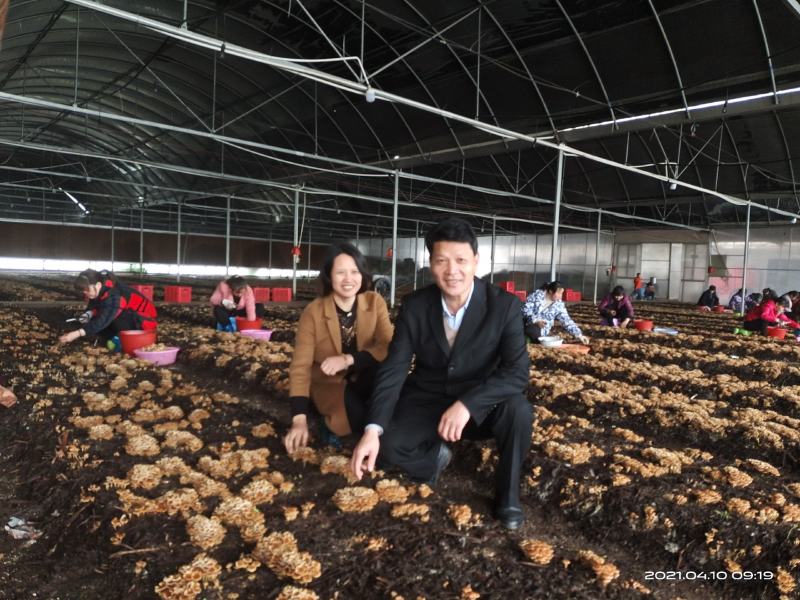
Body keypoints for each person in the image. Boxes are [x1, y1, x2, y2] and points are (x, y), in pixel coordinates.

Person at [349, 217, 532, 530]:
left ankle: (508, 496)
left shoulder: (504, 307)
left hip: (481, 404)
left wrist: (468, 404)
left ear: (476, 261)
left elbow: (517, 373)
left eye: (461, 260)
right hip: (429, 396)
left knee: (518, 410)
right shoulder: (416, 306)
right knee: (388, 447)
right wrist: (372, 429)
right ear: (431, 264)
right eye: (441, 261)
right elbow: (395, 367)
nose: (452, 271)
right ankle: (434, 457)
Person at [284, 242, 393, 453]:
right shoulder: (313, 312)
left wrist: (348, 359)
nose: (348, 279)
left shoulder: (374, 302)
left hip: (364, 375)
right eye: (340, 272)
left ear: (362, 274)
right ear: (329, 275)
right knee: (360, 422)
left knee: (388, 409)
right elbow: (301, 366)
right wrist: (298, 419)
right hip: (329, 382)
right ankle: (328, 424)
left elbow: (387, 345)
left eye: (354, 271)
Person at [58, 269, 157, 344]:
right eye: (84, 291)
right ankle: (111, 338)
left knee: (110, 320)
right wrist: (88, 314)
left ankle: (123, 341)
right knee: (96, 321)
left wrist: (77, 333)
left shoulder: (114, 295)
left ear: (98, 285)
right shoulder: (97, 291)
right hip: (129, 316)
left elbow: (104, 318)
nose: (86, 294)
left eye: (87, 290)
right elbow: (94, 306)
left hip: (144, 323)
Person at [522, 281, 589, 344]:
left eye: (562, 293)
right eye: (559, 293)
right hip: (527, 324)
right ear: (551, 291)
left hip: (540, 331)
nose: (561, 296)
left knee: (535, 335)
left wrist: (579, 335)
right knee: (528, 330)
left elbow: (566, 320)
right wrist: (535, 320)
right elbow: (525, 309)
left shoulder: (558, 305)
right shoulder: (536, 296)